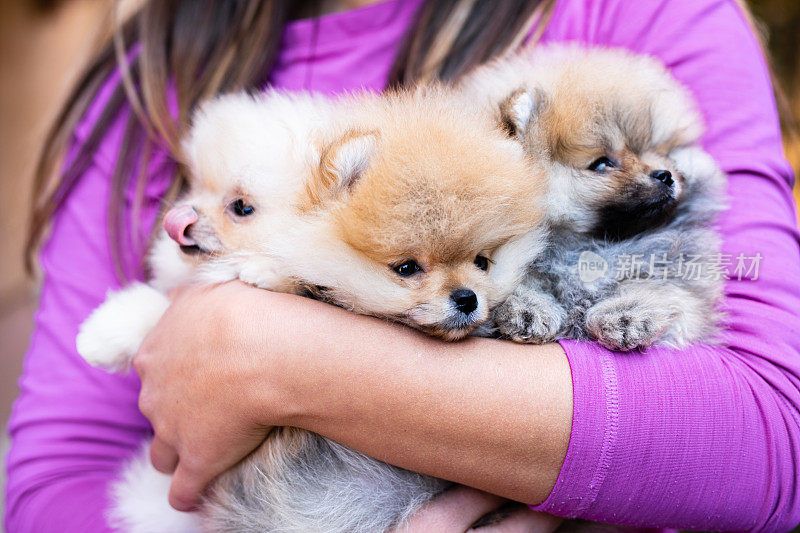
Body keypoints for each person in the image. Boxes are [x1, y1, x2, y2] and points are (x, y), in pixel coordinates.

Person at [6, 0, 800, 531]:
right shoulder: (152, 75)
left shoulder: (650, 14)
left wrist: (278, 356)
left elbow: (771, 436)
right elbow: (54, 481)